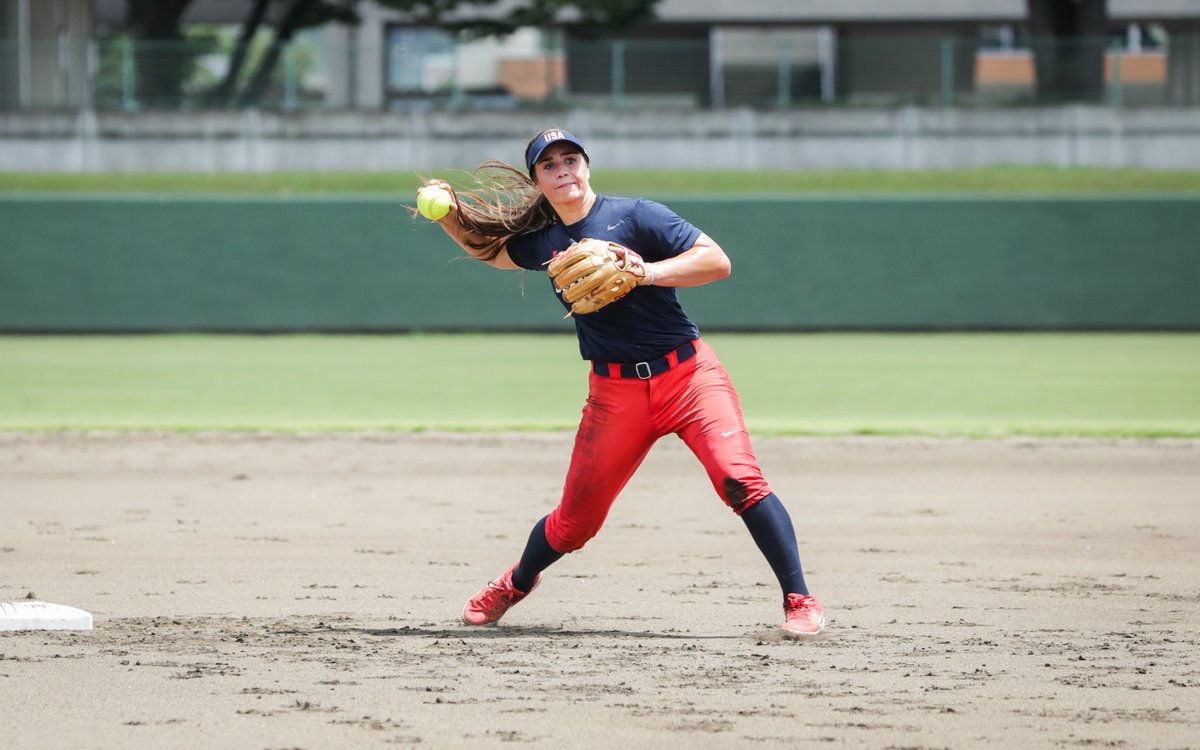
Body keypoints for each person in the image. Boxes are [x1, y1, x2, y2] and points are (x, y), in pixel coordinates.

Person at [417, 128, 825, 637]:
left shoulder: (637, 215)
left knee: (739, 478)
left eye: (571, 159)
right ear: (537, 180)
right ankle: (517, 581)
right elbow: (490, 252)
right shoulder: (545, 241)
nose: (563, 169)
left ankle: (799, 599)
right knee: (574, 525)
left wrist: (645, 271)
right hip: (615, 395)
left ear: (587, 166)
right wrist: (449, 212)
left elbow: (716, 262)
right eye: (549, 165)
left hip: (689, 376)